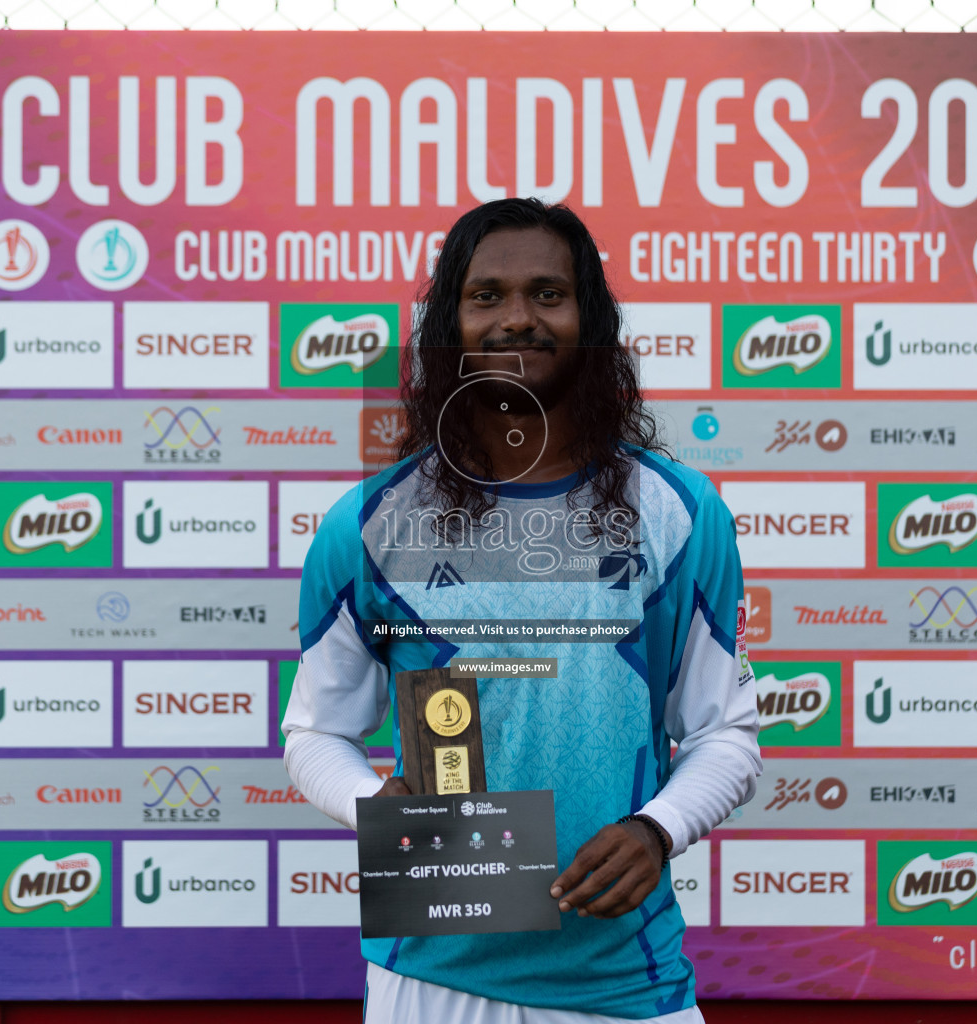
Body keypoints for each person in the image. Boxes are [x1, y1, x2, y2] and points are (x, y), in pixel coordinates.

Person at [282, 197, 762, 1023]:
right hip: (431, 982)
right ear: (449, 325)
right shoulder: (367, 524)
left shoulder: (678, 512)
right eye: (486, 296)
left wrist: (659, 829)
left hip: (623, 982)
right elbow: (315, 732)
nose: (517, 319)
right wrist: (370, 805)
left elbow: (726, 732)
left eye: (548, 294)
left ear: (591, 319)